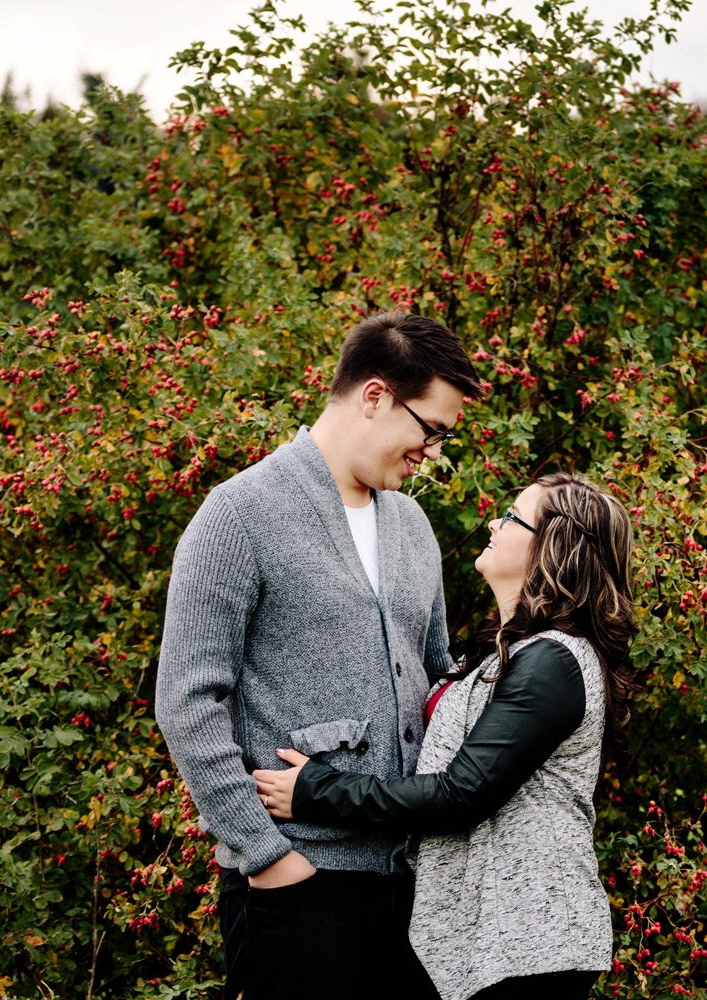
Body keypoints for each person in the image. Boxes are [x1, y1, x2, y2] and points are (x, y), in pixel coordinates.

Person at [155, 311, 485, 1000]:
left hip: (409, 886)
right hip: (298, 884)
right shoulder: (238, 514)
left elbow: (434, 681)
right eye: (430, 431)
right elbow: (186, 703)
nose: (433, 452)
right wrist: (267, 856)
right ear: (374, 397)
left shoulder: (415, 529)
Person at [252, 472, 638, 1000]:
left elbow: (461, 794)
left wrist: (315, 791)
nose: (493, 523)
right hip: (485, 937)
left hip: (529, 940)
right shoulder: (503, 651)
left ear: (551, 548)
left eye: (510, 517)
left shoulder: (556, 661)